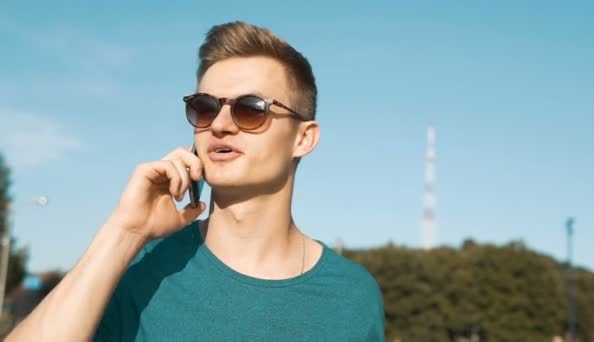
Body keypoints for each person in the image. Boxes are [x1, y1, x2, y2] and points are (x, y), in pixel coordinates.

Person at [7, 21, 385, 341]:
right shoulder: (137, 270)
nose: (219, 125)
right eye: (204, 107)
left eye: (250, 109)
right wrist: (124, 232)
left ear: (303, 138)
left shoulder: (352, 294)